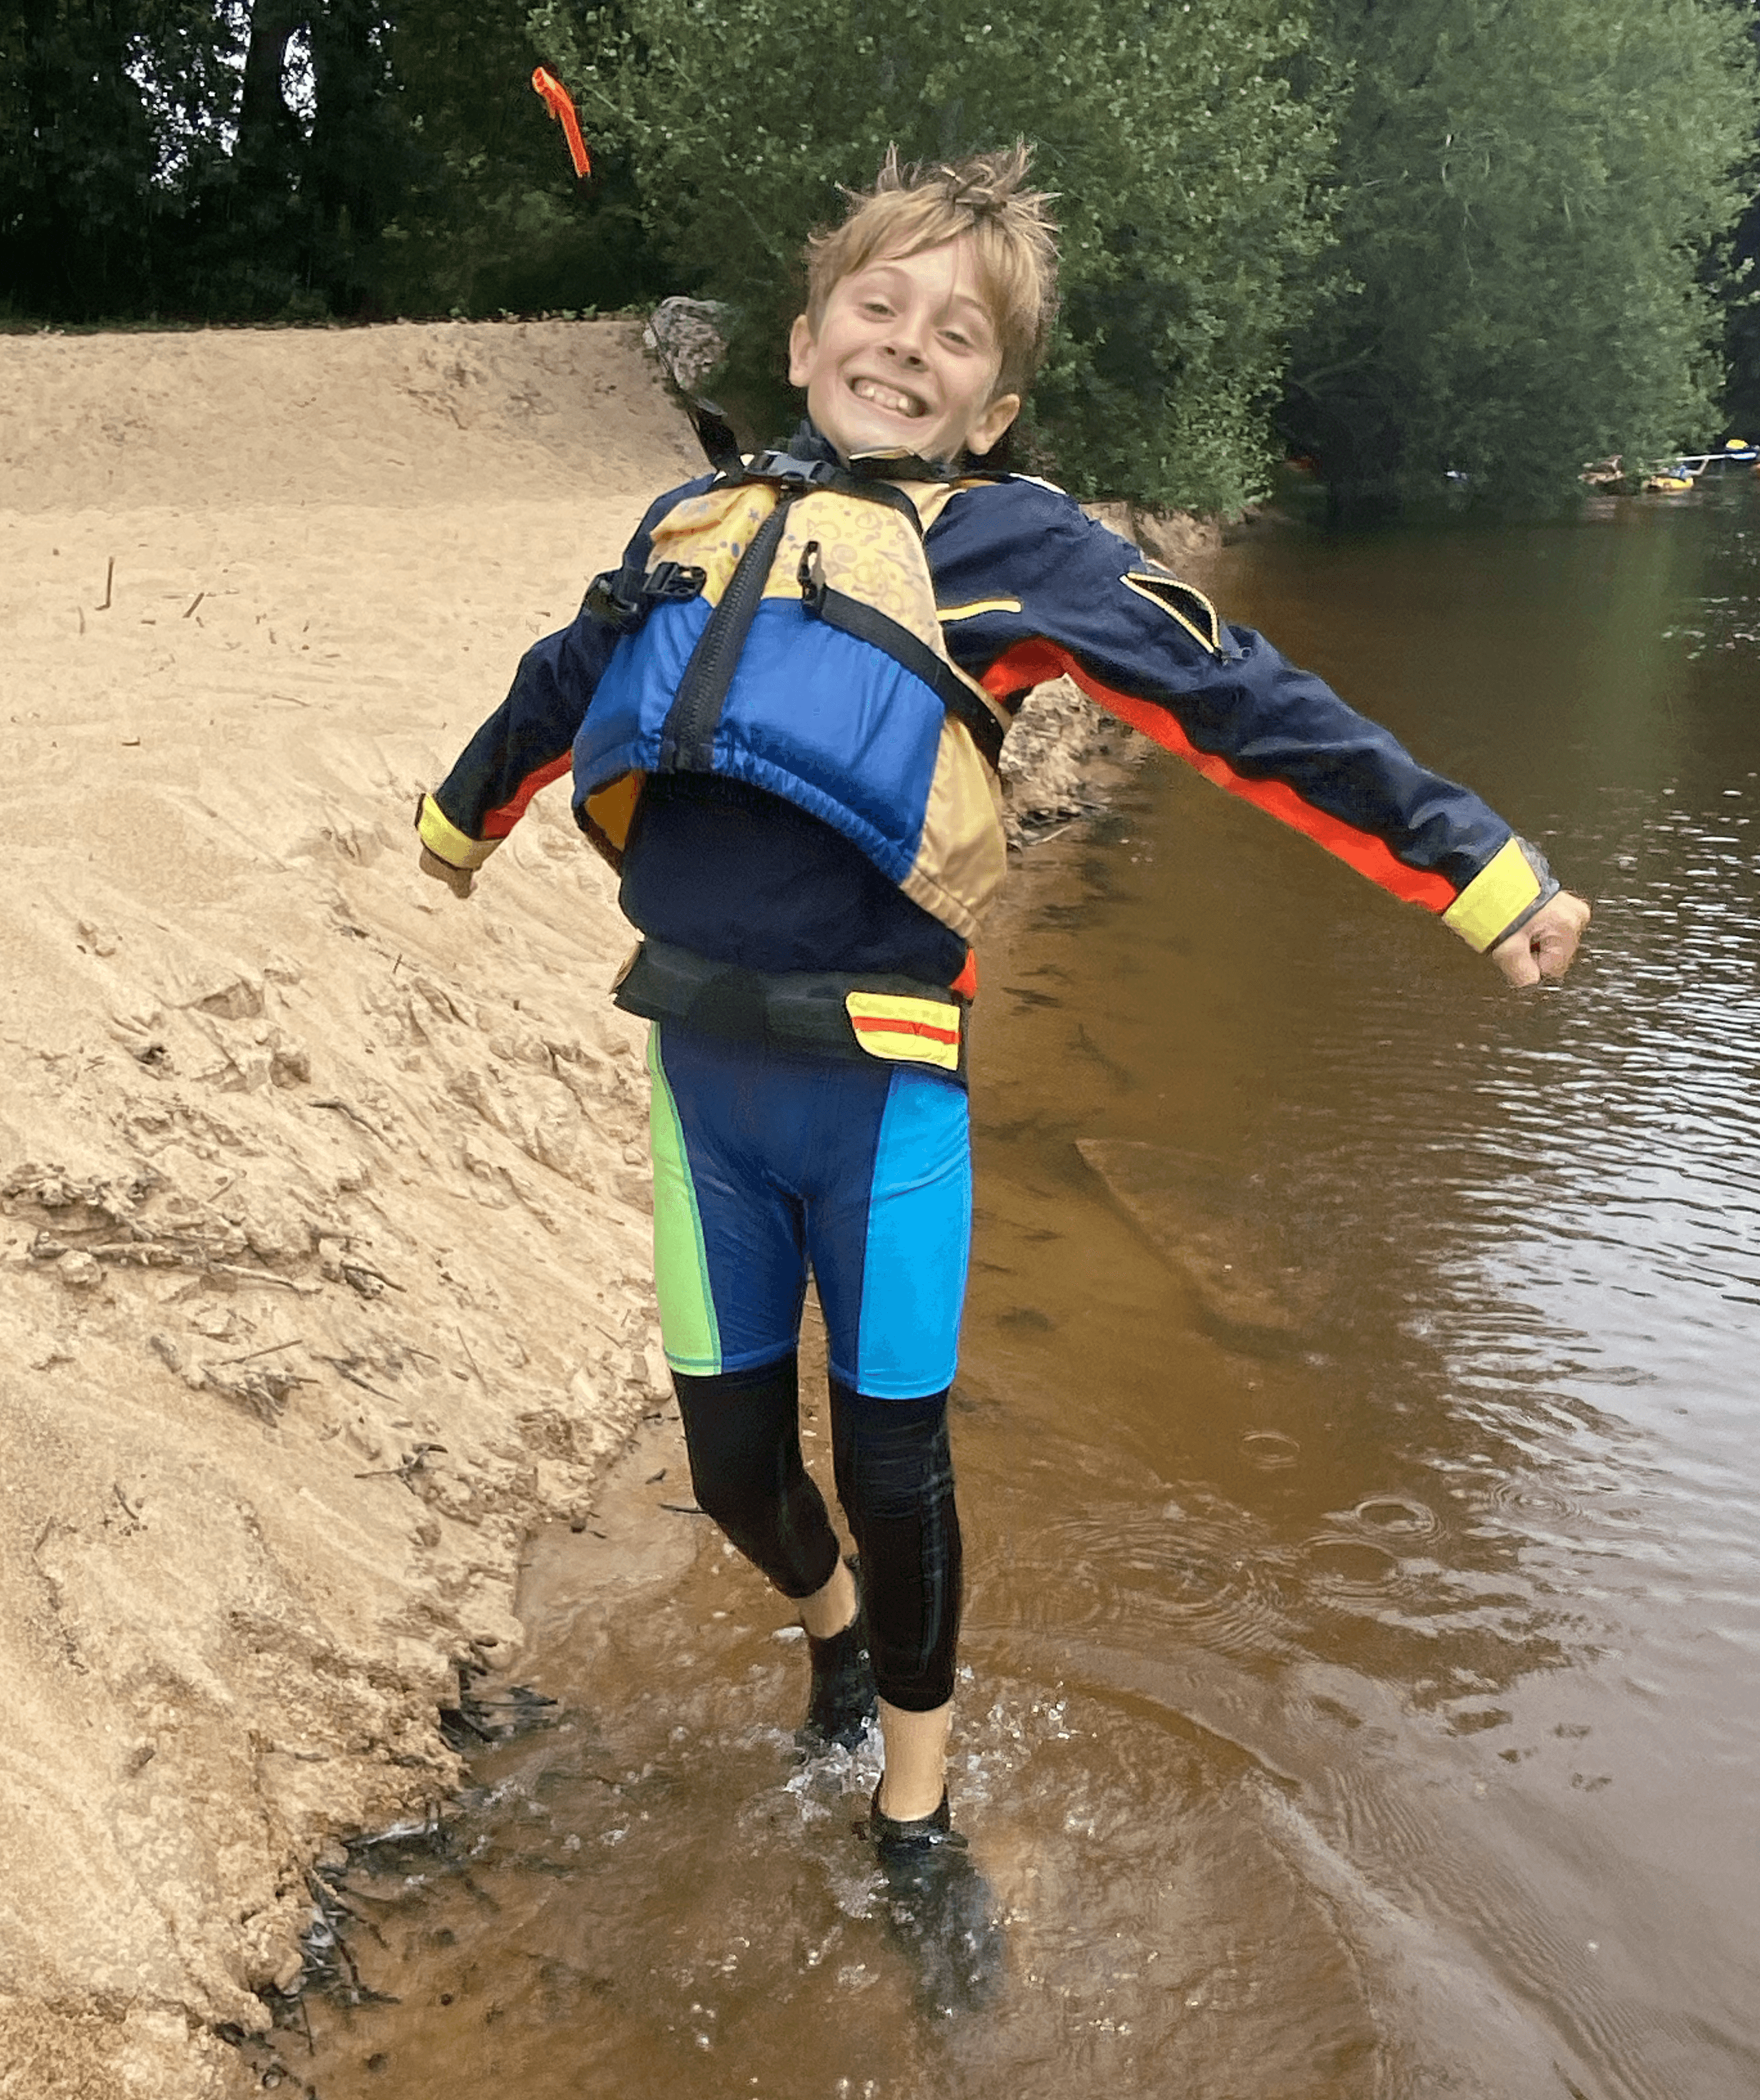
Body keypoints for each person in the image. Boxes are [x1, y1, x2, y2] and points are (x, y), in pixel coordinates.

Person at [414, 145, 1590, 1899]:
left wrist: (1476, 867)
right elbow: (567, 677)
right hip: (702, 1088)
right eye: (875, 308)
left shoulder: (1021, 553)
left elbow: (1244, 705)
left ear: (996, 402)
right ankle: (828, 1643)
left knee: (893, 1465)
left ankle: (915, 1808)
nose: (907, 345)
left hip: (885, 1106)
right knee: (738, 1470)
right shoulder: (698, 526)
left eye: (954, 334)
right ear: (806, 342)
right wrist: (459, 819)